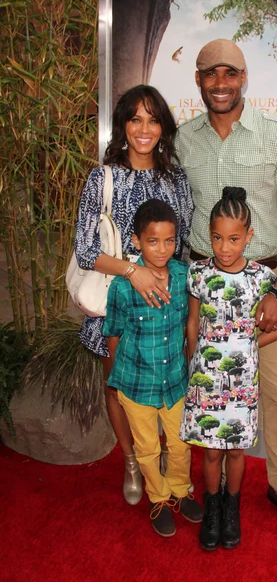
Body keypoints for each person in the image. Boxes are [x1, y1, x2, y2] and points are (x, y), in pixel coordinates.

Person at [175, 38, 277, 535]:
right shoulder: (182, 139)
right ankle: (186, 483)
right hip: (201, 286)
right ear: (198, 79)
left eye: (230, 73)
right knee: (195, 386)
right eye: (210, 73)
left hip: (261, 288)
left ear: (243, 78)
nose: (220, 82)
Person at [74, 85, 193, 506]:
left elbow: (180, 245)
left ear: (164, 127)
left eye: (153, 119)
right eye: (136, 119)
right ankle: (131, 459)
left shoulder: (177, 179)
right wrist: (133, 270)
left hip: (164, 304)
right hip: (118, 296)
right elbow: (85, 250)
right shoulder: (103, 177)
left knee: (164, 384)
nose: (145, 129)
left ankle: (162, 457)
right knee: (119, 385)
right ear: (124, 125)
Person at [180, 186, 277, 550]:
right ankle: (212, 506)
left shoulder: (261, 279)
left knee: (236, 450)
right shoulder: (198, 273)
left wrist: (247, 345)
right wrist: (195, 365)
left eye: (234, 239)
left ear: (249, 237)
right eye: (217, 238)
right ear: (208, 236)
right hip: (206, 378)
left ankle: (232, 507)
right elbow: (193, 324)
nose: (224, 248)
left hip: (243, 381)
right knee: (210, 451)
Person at [102, 198, 202, 537]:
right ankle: (158, 497)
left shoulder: (183, 276)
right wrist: (118, 376)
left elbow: (190, 324)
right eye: (153, 241)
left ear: (178, 240)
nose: (162, 249)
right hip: (136, 383)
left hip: (175, 381)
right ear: (136, 241)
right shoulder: (121, 286)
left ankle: (180, 489)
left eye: (170, 240)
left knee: (180, 444)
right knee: (147, 448)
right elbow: (113, 332)